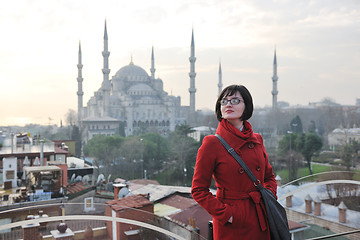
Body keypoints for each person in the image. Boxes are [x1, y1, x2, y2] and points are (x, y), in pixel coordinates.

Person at [191, 84, 277, 240]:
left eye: (235, 100)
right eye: (224, 101)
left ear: (247, 106)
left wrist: (268, 197)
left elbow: (269, 177)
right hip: (233, 223)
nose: (228, 104)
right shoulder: (212, 143)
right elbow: (198, 190)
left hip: (260, 215)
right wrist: (227, 215)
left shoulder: (257, 139)